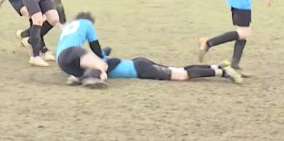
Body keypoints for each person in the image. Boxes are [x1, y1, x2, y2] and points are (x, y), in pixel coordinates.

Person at [91, 51, 243, 84]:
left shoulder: (96, 64)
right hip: (139, 63)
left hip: (141, 69)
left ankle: (222, 72)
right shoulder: (95, 59)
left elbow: (114, 60)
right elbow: (107, 51)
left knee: (181, 75)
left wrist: (101, 70)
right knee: (180, 70)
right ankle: (217, 67)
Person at [55, 12, 109, 89]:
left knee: (86, 68)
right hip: (71, 51)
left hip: (61, 61)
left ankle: (77, 77)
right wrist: (102, 58)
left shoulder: (69, 26)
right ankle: (91, 77)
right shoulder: (87, 23)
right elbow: (95, 46)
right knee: (102, 65)